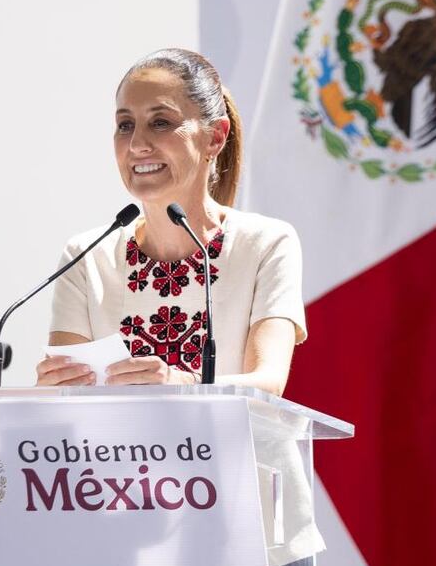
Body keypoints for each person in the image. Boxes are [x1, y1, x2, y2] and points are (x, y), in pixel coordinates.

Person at [35, 47, 307, 394]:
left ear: (215, 136)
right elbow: (71, 400)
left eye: (160, 122)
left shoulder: (267, 243)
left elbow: (267, 385)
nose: (136, 144)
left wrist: (182, 384)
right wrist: (53, 389)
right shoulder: (86, 256)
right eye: (125, 125)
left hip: (237, 450)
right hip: (116, 450)